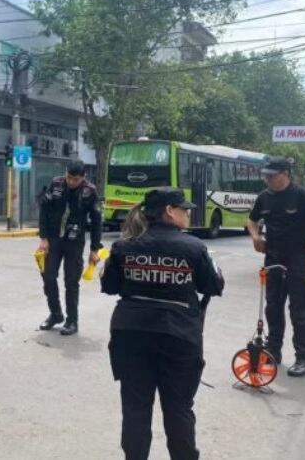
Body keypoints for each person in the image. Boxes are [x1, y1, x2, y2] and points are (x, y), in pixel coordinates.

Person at [100, 187, 224, 460]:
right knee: (178, 408)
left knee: (135, 408)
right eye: (185, 209)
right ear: (169, 210)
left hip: (129, 334)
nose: (188, 214)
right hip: (178, 336)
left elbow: (109, 286)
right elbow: (214, 285)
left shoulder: (124, 245)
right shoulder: (194, 247)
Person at [247, 157, 305, 377]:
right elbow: (252, 220)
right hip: (273, 259)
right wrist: (256, 237)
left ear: (286, 174)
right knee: (273, 308)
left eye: (271, 175)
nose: (267, 179)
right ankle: (274, 350)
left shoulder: (303, 195)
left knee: (301, 312)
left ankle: (303, 358)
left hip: (299, 261)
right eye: (265, 175)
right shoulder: (264, 197)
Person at [37, 159, 103, 336]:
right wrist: (43, 238)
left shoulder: (90, 191)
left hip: (75, 242)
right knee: (48, 277)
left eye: (76, 179)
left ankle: (72, 320)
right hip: (53, 240)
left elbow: (97, 222)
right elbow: (44, 209)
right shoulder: (56, 184)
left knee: (71, 282)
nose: (71, 182)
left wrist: (95, 249)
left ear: (84, 177)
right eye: (69, 177)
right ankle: (55, 314)